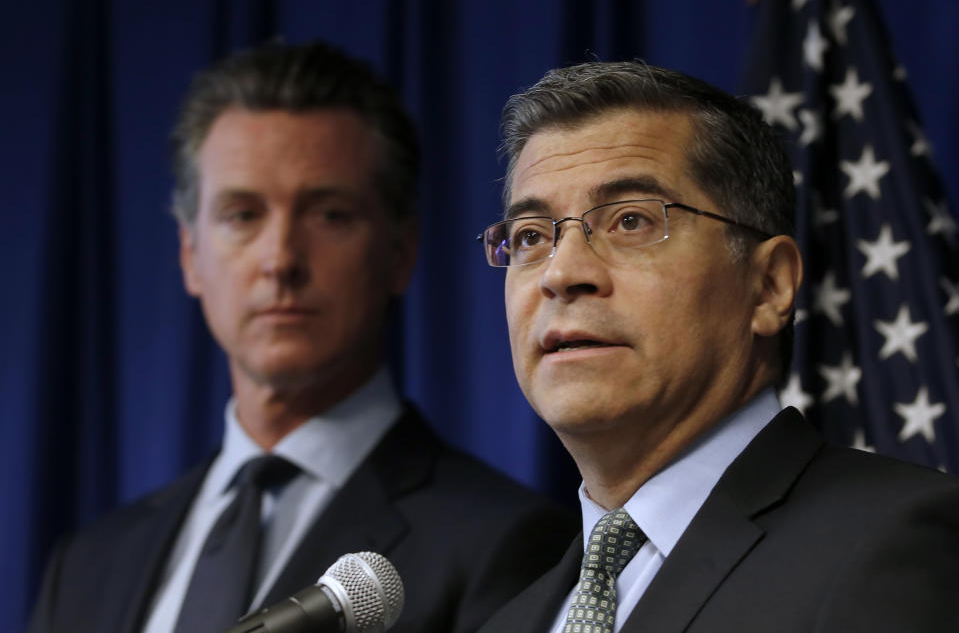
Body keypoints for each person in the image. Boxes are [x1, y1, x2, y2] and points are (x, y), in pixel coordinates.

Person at [28, 41, 576, 633]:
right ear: (190, 254)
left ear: (400, 250)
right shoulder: (87, 562)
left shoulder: (510, 546)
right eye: (243, 215)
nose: (281, 259)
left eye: (329, 215)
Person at [476, 61, 959, 632]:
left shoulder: (901, 543)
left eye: (630, 221)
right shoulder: (508, 623)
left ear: (769, 285)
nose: (562, 273)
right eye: (530, 236)